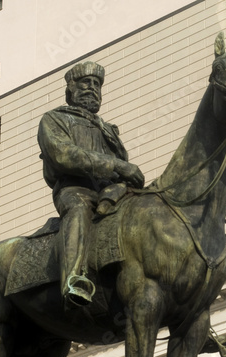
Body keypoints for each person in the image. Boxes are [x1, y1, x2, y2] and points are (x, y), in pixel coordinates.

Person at [38, 61, 144, 306]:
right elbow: (64, 154)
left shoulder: (108, 130)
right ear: (70, 91)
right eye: (85, 83)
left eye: (97, 84)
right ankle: (74, 279)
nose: (92, 88)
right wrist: (117, 166)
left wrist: (127, 175)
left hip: (111, 191)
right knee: (77, 212)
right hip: (76, 189)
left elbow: (122, 163)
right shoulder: (55, 119)